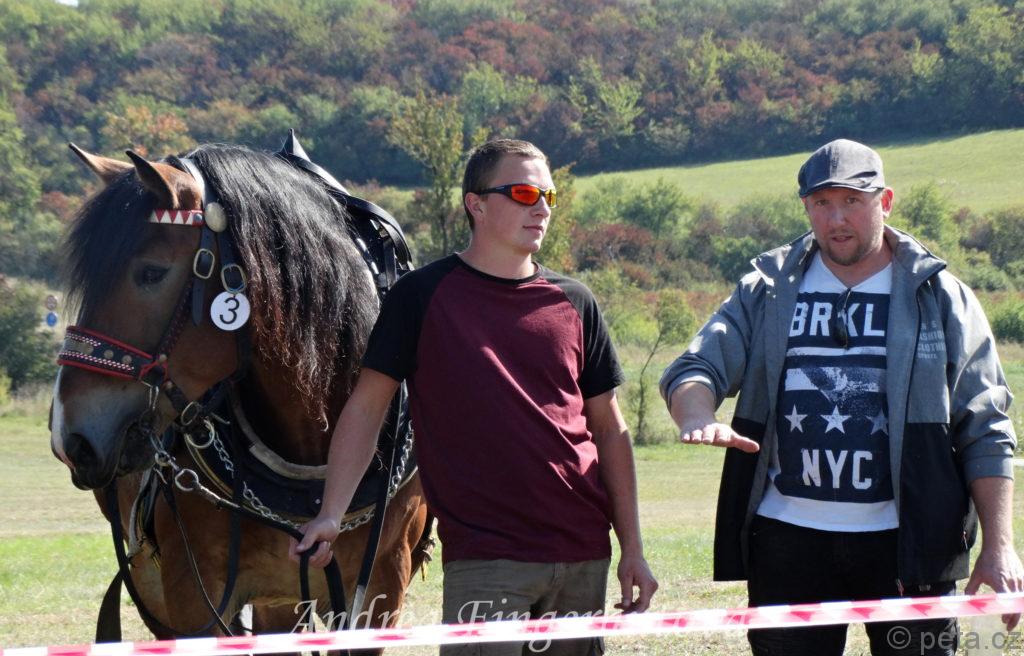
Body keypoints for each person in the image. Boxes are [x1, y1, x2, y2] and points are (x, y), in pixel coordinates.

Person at [291, 138, 657, 655]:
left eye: (549, 196)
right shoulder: (420, 296)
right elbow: (367, 409)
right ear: (476, 204)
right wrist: (331, 514)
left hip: (583, 553)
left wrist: (632, 548)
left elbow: (610, 430)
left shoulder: (577, 301)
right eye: (524, 193)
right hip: (486, 558)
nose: (542, 208)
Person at [660, 139, 1021, 656]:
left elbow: (985, 424)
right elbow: (695, 367)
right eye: (822, 203)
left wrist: (1000, 545)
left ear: (885, 201)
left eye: (852, 201)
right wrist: (695, 412)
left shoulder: (939, 295)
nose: (836, 219)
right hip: (787, 542)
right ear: (806, 207)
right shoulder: (766, 289)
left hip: (910, 541)